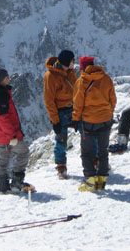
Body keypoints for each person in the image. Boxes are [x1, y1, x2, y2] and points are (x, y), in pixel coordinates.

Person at [0, 66, 34, 194]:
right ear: (1, 79)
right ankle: (16, 181)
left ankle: (3, 187)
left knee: (3, 160)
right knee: (23, 152)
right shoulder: (0, 95)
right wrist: (12, 135)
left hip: (0, 135)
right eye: (6, 76)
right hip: (6, 135)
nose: (8, 78)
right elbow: (3, 118)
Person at [72, 56, 117, 192]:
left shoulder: (82, 81)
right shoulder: (106, 78)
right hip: (105, 121)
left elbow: (78, 104)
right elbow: (113, 99)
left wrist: (75, 119)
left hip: (89, 122)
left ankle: (90, 181)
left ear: (83, 68)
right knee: (103, 151)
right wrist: (108, 113)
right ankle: (101, 181)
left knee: (87, 152)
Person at [43, 49, 76, 179]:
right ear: (67, 62)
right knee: (61, 139)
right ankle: (61, 166)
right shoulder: (50, 76)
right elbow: (49, 100)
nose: (74, 62)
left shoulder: (71, 72)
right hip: (61, 112)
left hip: (73, 108)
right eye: (73, 60)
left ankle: (93, 160)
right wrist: (55, 120)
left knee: (87, 131)